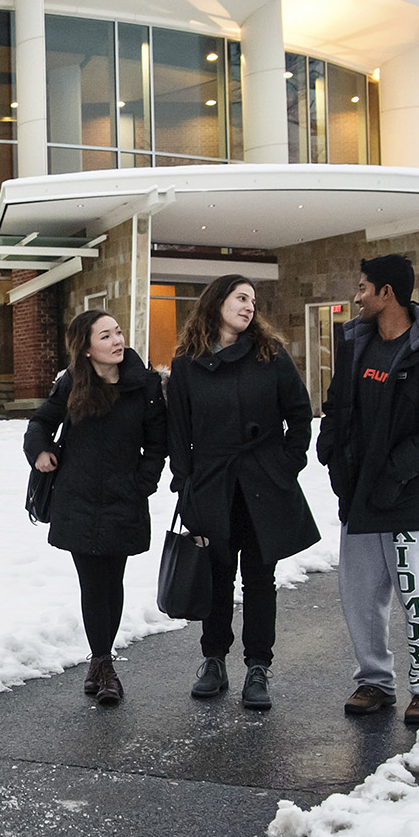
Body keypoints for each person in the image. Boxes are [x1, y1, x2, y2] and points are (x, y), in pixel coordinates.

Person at [315, 254, 419, 729]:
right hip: (358, 499)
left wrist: (397, 470)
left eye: (363, 287)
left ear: (388, 294)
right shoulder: (355, 343)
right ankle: (375, 682)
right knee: (360, 598)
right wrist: (331, 444)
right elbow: (340, 402)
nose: (356, 296)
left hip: (407, 500)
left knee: (417, 598)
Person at [165, 277, 319, 710]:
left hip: (263, 481)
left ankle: (258, 667)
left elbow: (299, 413)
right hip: (212, 482)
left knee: (259, 578)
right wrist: (186, 482)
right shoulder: (186, 364)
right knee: (215, 576)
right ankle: (213, 660)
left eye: (253, 300)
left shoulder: (270, 354)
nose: (250, 306)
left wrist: (288, 464)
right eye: (241, 298)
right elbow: (178, 433)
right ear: (216, 303)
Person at [24, 309, 168, 706]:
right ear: (86, 349)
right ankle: (103, 663)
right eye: (105, 336)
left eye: (118, 333)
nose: (117, 341)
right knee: (92, 583)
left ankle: (100, 662)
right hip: (78, 498)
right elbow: (39, 424)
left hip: (124, 498)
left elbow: (158, 443)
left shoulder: (145, 385)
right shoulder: (71, 383)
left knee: (112, 580)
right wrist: (40, 453)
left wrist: (143, 483)